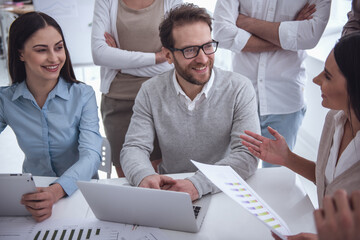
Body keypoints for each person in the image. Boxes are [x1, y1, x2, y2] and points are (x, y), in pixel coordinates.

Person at [120, 3, 260, 201]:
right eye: (190, 50)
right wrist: (144, 176)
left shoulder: (239, 88)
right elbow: (134, 147)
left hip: (224, 189)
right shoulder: (151, 91)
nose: (203, 59)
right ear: (168, 55)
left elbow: (246, 155)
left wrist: (197, 184)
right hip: (172, 191)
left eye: (208, 46)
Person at [241, 32, 360, 239]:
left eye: (328, 76)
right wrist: (287, 158)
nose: (315, 79)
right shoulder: (334, 119)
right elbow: (331, 182)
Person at [1, 12, 102, 222]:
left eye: (59, 47)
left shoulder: (83, 95)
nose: (54, 58)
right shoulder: (6, 100)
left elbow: (91, 155)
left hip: (80, 192)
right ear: (20, 54)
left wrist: (55, 192)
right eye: (41, 50)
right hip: (33, 195)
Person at [213, 0, 331, 167]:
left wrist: (246, 22)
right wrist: (287, 34)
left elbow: (308, 37)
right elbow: (221, 33)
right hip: (241, 99)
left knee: (277, 176)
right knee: (237, 171)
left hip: (285, 100)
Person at [91, 0, 182, 177]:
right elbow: (99, 54)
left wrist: (120, 63)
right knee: (130, 179)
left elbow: (175, 59)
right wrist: (156, 57)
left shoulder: (172, 2)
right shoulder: (105, 1)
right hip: (119, 102)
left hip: (162, 98)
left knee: (162, 178)